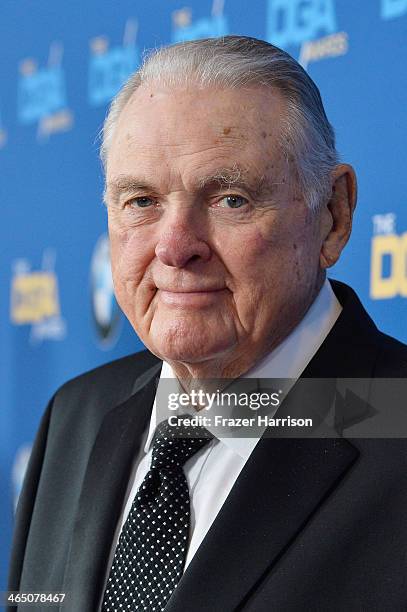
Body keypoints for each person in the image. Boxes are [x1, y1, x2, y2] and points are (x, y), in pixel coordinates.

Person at [8, 35, 407, 612]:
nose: (174, 247)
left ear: (333, 215)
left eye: (231, 199)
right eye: (141, 200)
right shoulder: (75, 416)